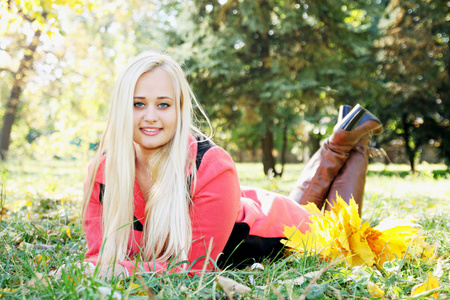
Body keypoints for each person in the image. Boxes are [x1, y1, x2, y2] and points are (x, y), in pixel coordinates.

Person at [81, 51, 382, 278]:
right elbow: (97, 258)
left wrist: (120, 271)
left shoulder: (211, 164)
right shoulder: (104, 172)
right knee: (303, 203)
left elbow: (193, 268)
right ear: (122, 108)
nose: (150, 116)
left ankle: (353, 140)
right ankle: (346, 131)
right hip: (241, 205)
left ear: (180, 109)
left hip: (280, 228)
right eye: (137, 103)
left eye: (163, 104)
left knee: (336, 223)